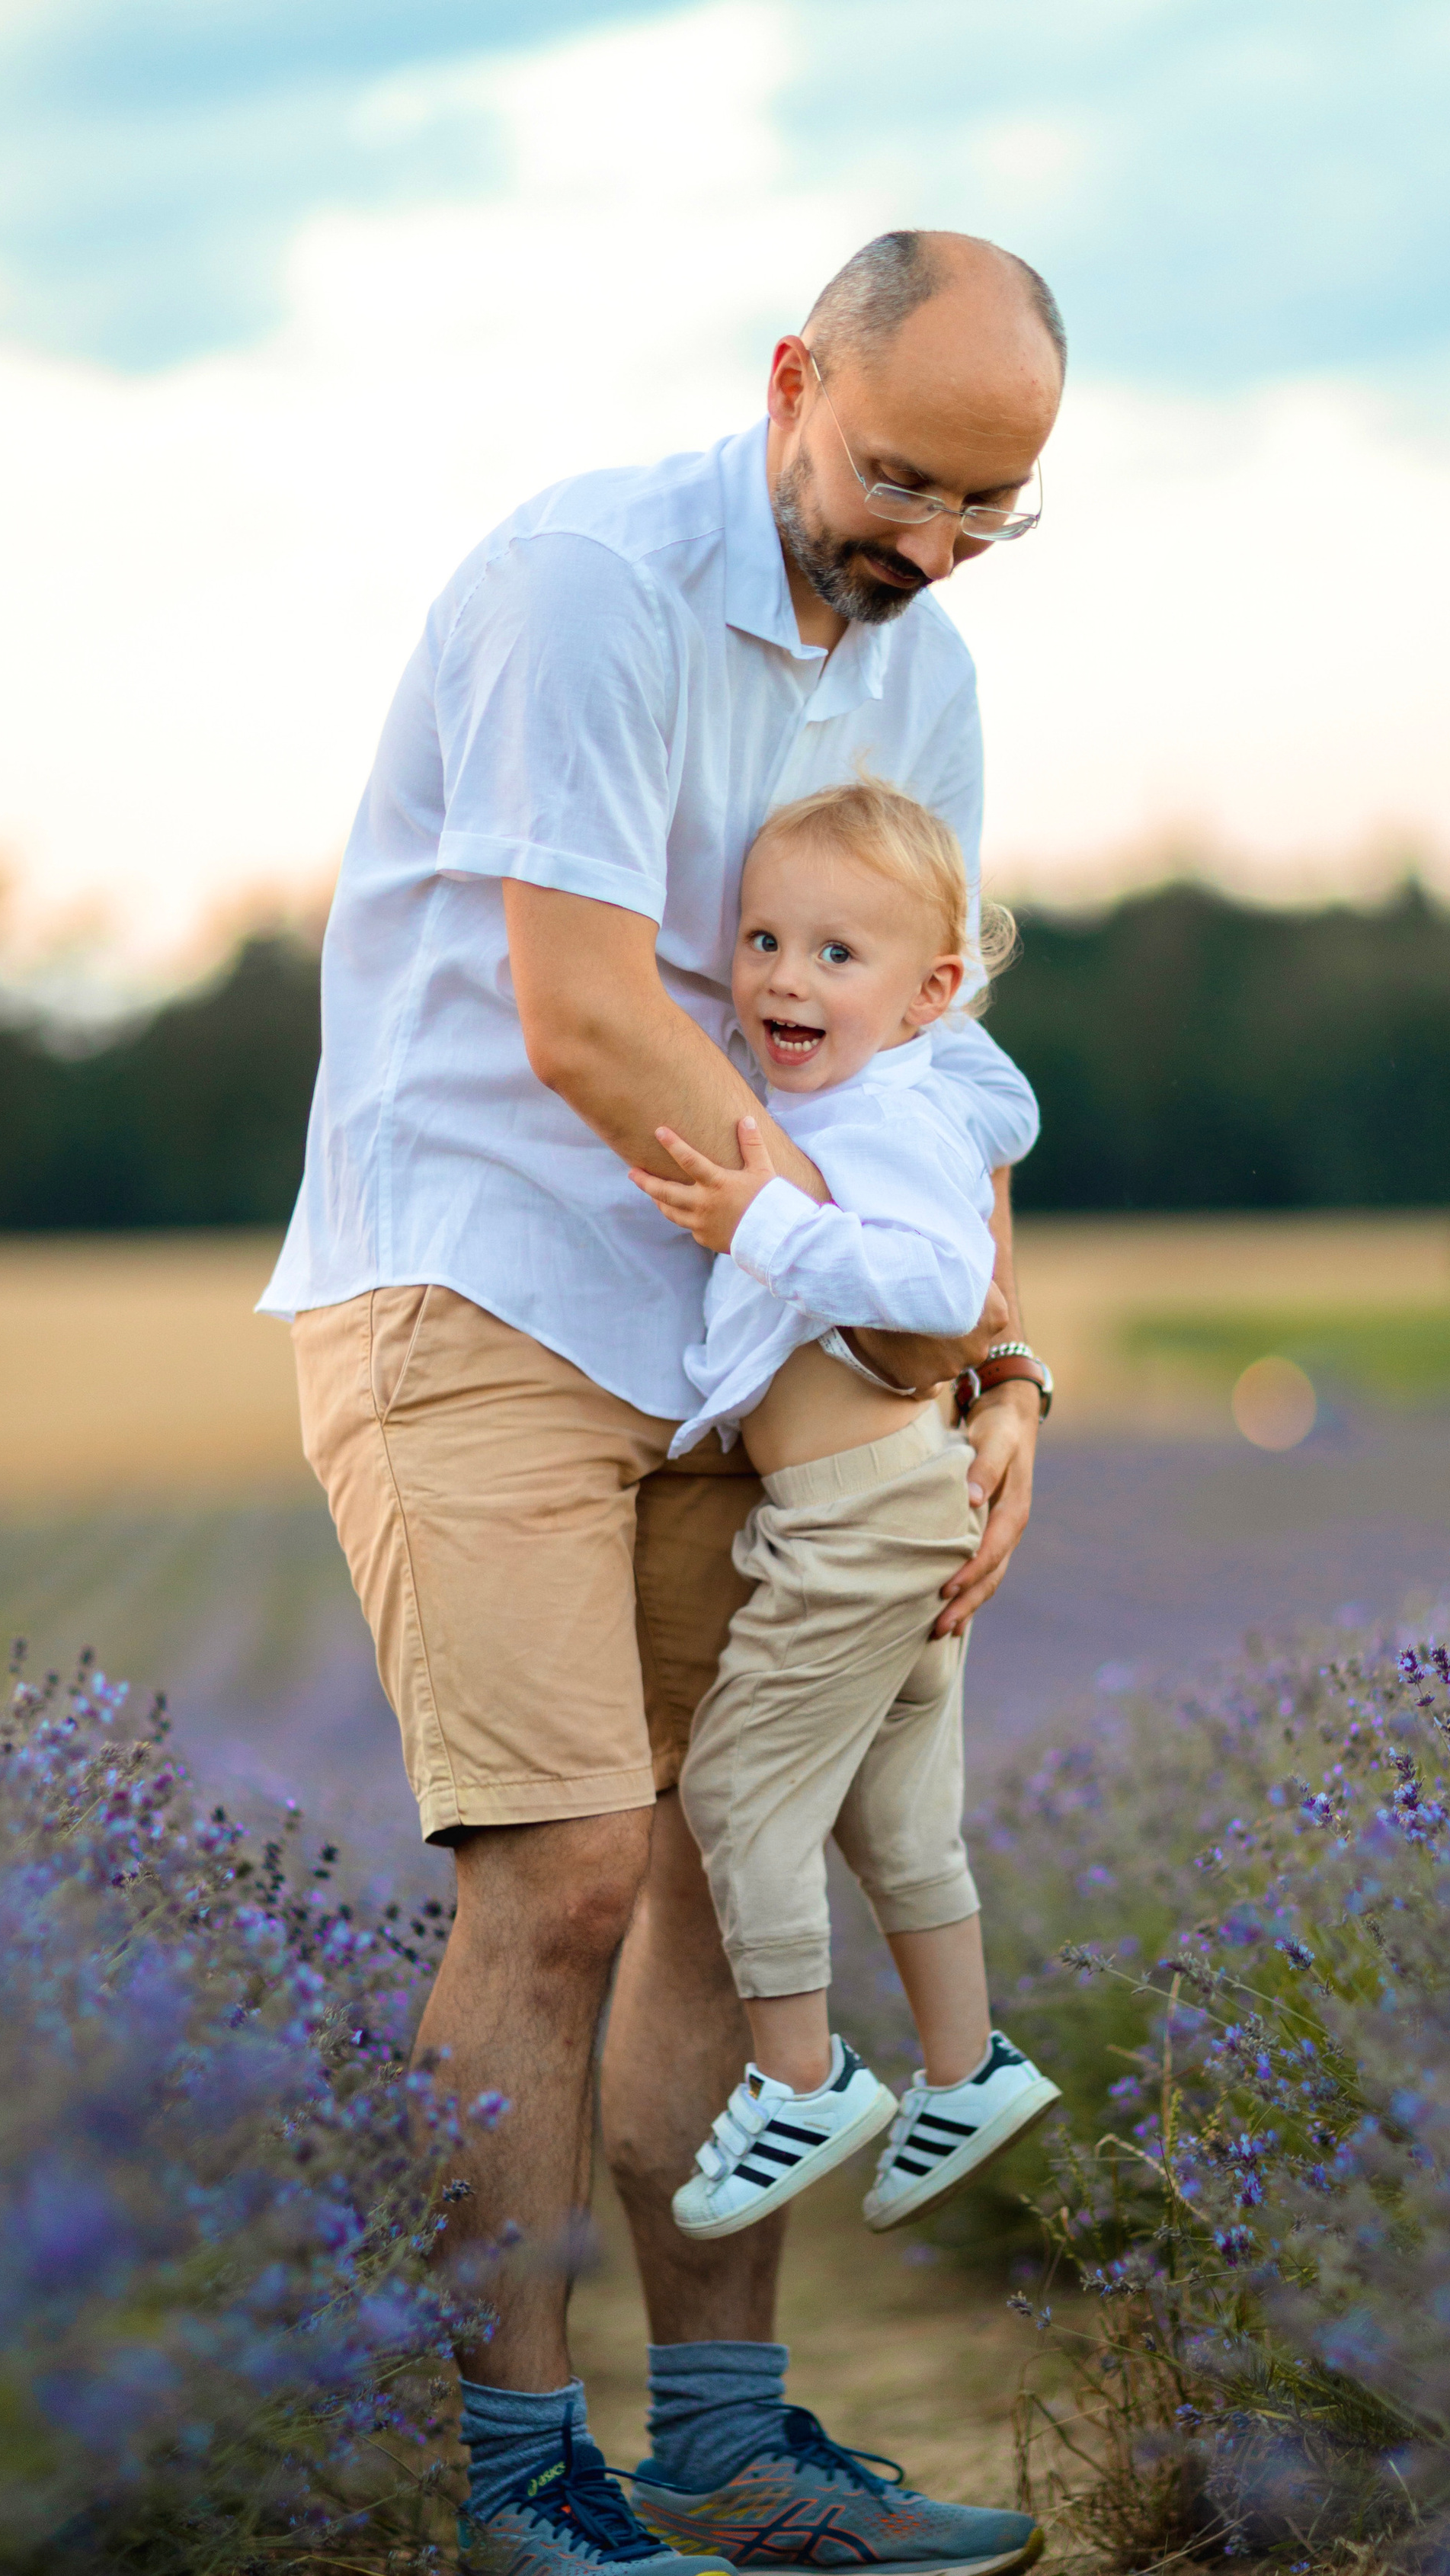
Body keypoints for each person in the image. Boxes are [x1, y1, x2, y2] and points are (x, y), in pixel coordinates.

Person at [261, 229, 1063, 2576]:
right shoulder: (587, 588)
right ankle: (520, 2484)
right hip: (484, 1273)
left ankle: (728, 2456)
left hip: (744, 1324)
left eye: (991, 508)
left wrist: (993, 1364)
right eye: (904, 479)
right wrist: (865, 1289)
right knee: (569, 1873)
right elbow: (587, 1017)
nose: (936, 545)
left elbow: (929, 1062)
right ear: (794, 380)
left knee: (739, 1855)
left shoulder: (928, 678)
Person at [626, 778, 1061, 2264]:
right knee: (894, 1819)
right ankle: (966, 2066)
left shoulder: (881, 1120)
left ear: (926, 993)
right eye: (760, 942)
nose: (782, 981)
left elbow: (946, 1288)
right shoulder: (901, 1086)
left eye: (833, 955)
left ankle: (802, 2082)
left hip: (859, 1522)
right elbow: (996, 1099)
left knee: (739, 1789)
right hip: (896, 1510)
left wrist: (759, 1223)